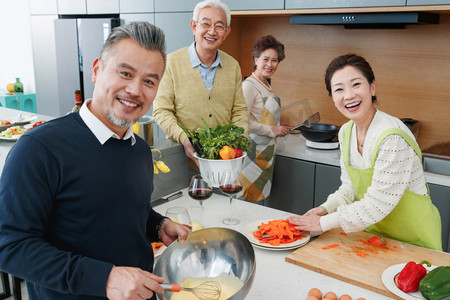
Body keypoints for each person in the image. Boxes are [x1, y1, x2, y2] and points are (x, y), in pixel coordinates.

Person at [0, 22, 191, 300]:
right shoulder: (39, 148)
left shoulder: (138, 148)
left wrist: (158, 225)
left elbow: (119, 210)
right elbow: (10, 246)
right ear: (96, 70)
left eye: (149, 81)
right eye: (125, 73)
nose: (136, 90)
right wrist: (105, 279)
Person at [288, 54, 442, 250]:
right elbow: (349, 189)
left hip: (414, 240)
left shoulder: (391, 137)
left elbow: (378, 203)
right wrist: (323, 210)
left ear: (372, 87)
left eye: (356, 84)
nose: (349, 95)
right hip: (374, 235)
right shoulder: (346, 132)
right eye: (339, 89)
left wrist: (322, 224)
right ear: (333, 98)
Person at [152, 0, 249, 166]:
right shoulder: (171, 63)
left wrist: (239, 140)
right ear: (194, 26)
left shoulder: (232, 66)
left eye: (219, 26)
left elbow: (239, 110)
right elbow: (162, 110)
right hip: (181, 160)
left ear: (227, 32)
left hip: (223, 160)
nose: (212, 31)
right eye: (206, 24)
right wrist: (184, 138)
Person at [239, 35, 291, 202]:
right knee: (246, 199)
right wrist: (272, 129)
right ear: (256, 59)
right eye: (265, 59)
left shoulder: (266, 84)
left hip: (266, 152)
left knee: (257, 200)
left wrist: (277, 123)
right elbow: (242, 122)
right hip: (251, 153)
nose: (270, 64)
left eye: (274, 60)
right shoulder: (249, 85)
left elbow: (260, 116)